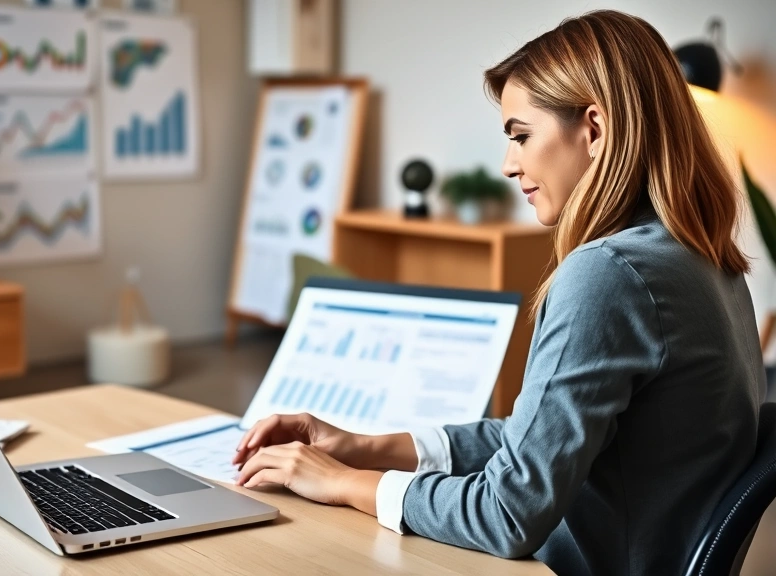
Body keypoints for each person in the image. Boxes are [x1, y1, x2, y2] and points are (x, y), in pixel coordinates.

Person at [231, 10, 767, 576]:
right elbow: (540, 439)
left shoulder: (609, 274)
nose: (509, 165)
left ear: (595, 128)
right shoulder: (703, 258)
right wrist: (363, 447)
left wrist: (341, 481)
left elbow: (508, 513)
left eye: (521, 136)